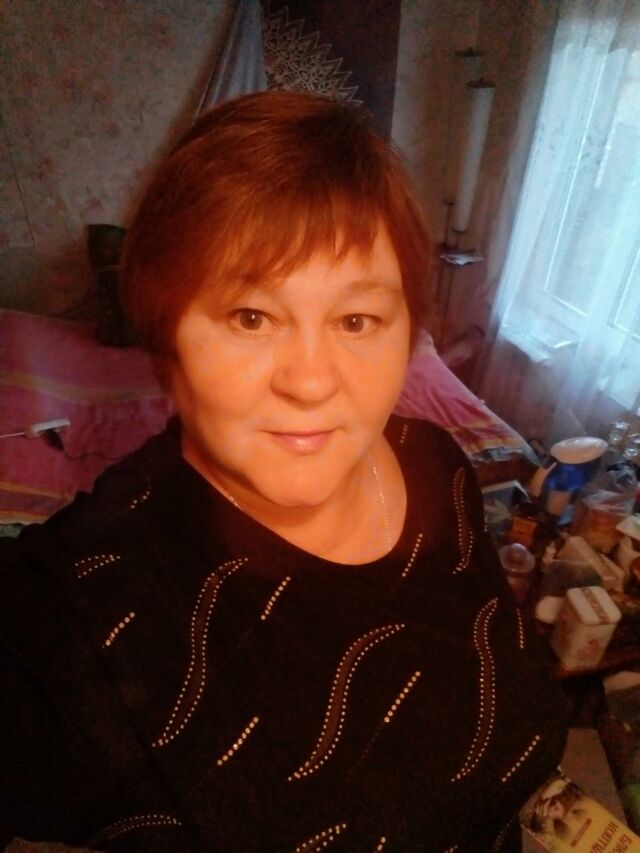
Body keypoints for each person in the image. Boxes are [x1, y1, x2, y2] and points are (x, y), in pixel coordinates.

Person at [0, 91, 567, 852]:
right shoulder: (79, 607)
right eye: (251, 317)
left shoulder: (436, 462)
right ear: (166, 338)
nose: (310, 382)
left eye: (356, 320)